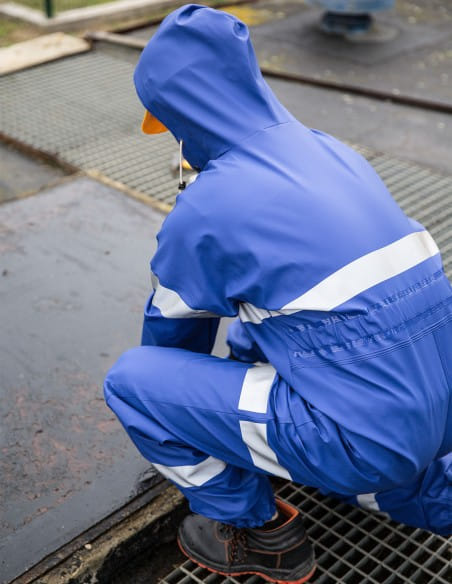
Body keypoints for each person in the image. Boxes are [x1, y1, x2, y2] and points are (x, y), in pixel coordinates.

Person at [104, 5, 452, 582]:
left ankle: (261, 534)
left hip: (361, 437)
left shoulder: (208, 209)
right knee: (380, 436)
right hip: (439, 411)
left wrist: (204, 420)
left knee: (133, 383)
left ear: (183, 114)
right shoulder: (329, 151)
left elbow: (170, 343)